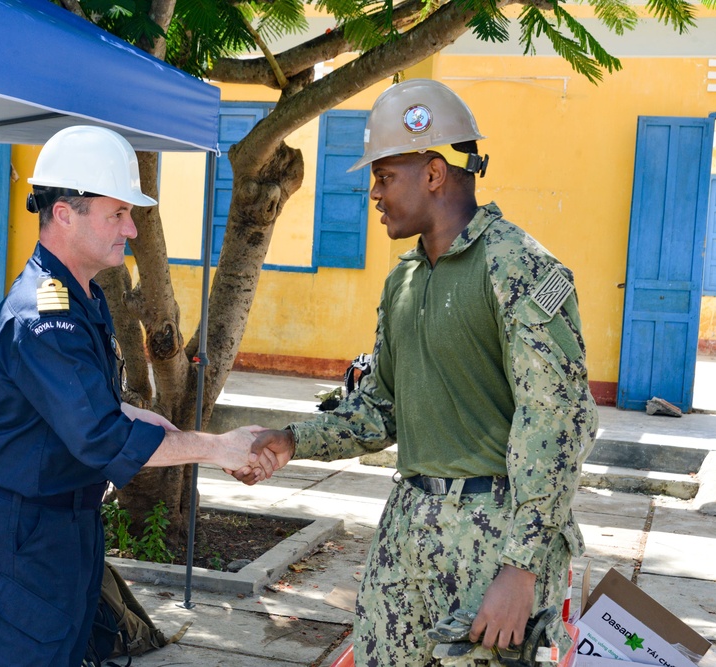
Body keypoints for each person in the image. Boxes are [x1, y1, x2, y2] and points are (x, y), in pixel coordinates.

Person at [233, 79, 598, 666]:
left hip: (492, 540)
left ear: (433, 173)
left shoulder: (520, 268)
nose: (373, 194)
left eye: (384, 177)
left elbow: (557, 422)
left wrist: (521, 568)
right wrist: (292, 439)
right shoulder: (403, 279)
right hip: (408, 533)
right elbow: (379, 411)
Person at [0, 125, 272, 667]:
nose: (130, 228)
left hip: (67, 523)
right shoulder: (43, 314)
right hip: (27, 530)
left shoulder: (83, 297)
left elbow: (80, 404)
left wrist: (140, 416)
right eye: (117, 214)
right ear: (64, 214)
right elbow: (100, 437)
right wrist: (217, 448)